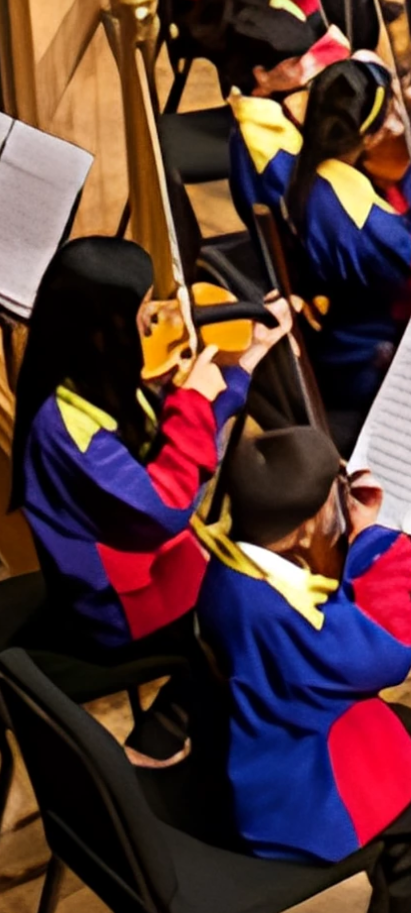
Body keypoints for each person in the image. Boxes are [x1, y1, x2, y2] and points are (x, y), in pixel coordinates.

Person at [12, 235, 289, 757]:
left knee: (253, 586)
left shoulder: (98, 377)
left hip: (137, 558)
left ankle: (176, 721)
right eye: (145, 316)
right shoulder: (66, 428)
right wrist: (190, 400)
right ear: (104, 331)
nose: (161, 323)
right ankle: (168, 734)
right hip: (111, 601)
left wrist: (244, 363)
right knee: (254, 615)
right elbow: (166, 505)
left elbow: (168, 446)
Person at [199, 425, 411, 910]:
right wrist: (373, 539)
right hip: (294, 793)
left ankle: (400, 892)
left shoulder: (232, 566)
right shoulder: (278, 613)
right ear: (308, 527)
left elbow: (323, 611)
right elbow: (390, 650)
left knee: (406, 731)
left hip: (263, 740)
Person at [284, 58, 411, 441]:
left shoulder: (316, 170)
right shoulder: (353, 217)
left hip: (338, 324)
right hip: (361, 359)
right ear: (368, 138)